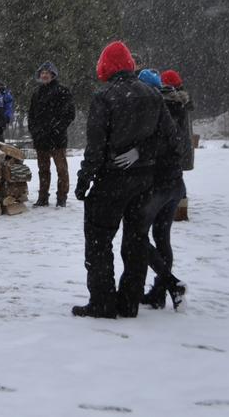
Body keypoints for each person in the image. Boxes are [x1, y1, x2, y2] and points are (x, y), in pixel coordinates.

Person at [72, 40, 174, 319]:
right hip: (144, 181)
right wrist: (143, 152)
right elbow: (169, 137)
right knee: (136, 241)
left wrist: (84, 181)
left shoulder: (105, 97)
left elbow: (95, 147)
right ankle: (129, 302)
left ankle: (102, 302)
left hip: (112, 180)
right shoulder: (153, 95)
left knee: (99, 241)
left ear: (105, 66)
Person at [142, 68, 196, 310]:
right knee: (162, 238)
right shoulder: (178, 105)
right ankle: (160, 292)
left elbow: (152, 146)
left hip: (158, 182)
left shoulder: (157, 109)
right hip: (175, 180)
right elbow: (179, 144)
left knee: (136, 237)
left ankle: (170, 284)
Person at [27, 62, 76, 206]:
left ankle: (62, 197)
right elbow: (31, 115)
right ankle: (43, 197)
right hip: (40, 138)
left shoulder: (63, 91)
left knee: (61, 169)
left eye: (47, 73)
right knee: (43, 170)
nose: (44, 75)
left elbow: (69, 114)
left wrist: (57, 128)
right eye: (42, 73)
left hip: (57, 138)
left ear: (53, 75)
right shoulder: (37, 93)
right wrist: (34, 131)